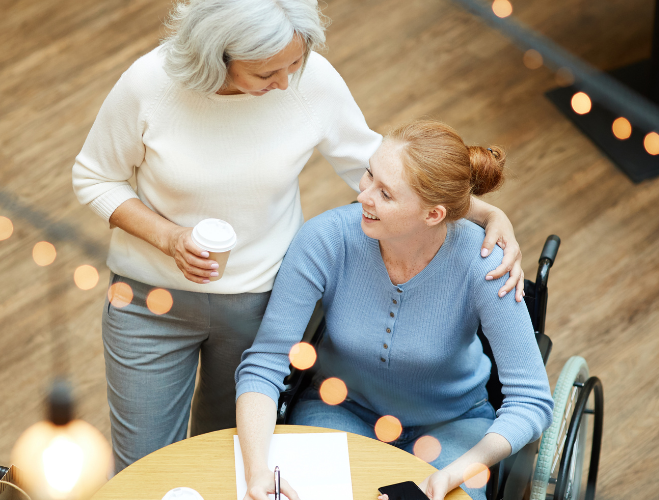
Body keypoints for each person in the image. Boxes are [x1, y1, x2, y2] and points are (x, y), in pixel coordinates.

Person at [71, 0, 527, 473]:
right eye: (267, 72)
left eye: (296, 61)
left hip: (258, 304)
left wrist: (486, 212)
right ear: (217, 56)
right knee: (143, 469)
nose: (287, 82)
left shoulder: (311, 81)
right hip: (149, 303)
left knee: (224, 460)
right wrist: (168, 238)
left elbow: (390, 173)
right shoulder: (151, 85)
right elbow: (93, 177)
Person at [234, 120, 554, 500]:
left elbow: (531, 401)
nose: (363, 195)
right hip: (340, 408)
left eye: (385, 193)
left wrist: (458, 471)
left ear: (433, 214)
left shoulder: (486, 265)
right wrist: (256, 473)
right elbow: (264, 363)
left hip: (452, 425)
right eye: (369, 175)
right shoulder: (325, 239)